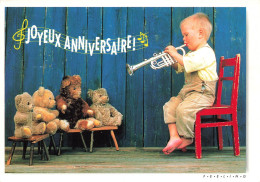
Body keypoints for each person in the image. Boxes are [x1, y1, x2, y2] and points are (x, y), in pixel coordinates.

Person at [162, 12, 218, 155]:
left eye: (186, 35)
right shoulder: (191, 54)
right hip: (187, 92)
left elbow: (187, 63)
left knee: (183, 110)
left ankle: (186, 137)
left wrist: (175, 54)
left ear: (200, 33)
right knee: (170, 106)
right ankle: (174, 136)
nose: (183, 39)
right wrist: (172, 60)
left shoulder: (206, 52)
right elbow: (181, 67)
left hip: (202, 93)